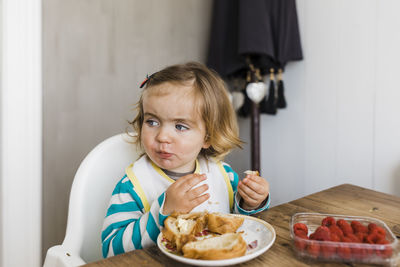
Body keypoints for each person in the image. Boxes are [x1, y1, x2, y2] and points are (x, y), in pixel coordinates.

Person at [101, 62, 270, 257]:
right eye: (152, 122)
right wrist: (162, 212)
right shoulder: (133, 185)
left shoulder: (223, 175)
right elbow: (111, 250)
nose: (163, 136)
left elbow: (240, 227)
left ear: (207, 137)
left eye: (180, 126)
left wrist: (251, 204)